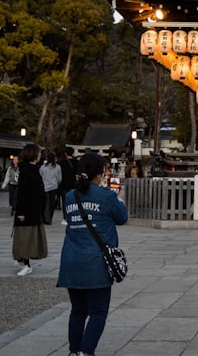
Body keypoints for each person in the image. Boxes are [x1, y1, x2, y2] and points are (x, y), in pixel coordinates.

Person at [58, 151, 128, 356]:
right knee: (98, 312)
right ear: (100, 174)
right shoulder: (106, 196)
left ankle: (74, 351)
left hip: (71, 262)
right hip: (96, 264)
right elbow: (122, 218)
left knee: (78, 311)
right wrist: (120, 200)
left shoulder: (70, 196)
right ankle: (86, 352)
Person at [12, 143, 47, 276]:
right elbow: (22, 193)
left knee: (28, 237)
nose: (39, 155)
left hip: (34, 208)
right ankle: (25, 263)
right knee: (24, 237)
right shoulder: (26, 170)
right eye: (38, 153)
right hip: (26, 209)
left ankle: (23, 260)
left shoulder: (33, 169)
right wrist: (20, 211)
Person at [40, 151, 63, 225]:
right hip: (54, 186)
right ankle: (50, 218)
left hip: (45, 186)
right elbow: (59, 178)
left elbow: (40, 175)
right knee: (52, 203)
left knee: (45, 203)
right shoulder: (58, 167)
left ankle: (45, 218)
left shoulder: (43, 167)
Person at [58, 146, 77, 226]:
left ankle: (65, 217)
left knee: (65, 201)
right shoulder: (77, 162)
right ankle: (73, 216)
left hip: (64, 184)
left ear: (65, 153)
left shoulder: (61, 163)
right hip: (74, 184)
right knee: (74, 201)